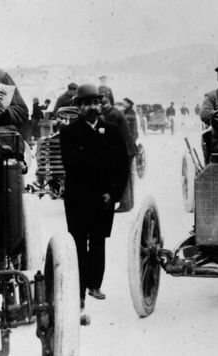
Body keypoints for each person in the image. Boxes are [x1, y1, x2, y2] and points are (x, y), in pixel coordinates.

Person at [60, 84, 128, 308]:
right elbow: (73, 166)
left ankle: (94, 285)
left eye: (96, 103)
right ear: (78, 107)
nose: (92, 107)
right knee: (79, 244)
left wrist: (114, 192)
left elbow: (122, 165)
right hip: (79, 198)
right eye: (87, 103)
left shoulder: (112, 131)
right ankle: (78, 293)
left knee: (98, 243)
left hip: (105, 198)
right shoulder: (69, 132)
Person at [101, 96, 137, 212]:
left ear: (105, 105)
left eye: (100, 106)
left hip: (125, 150)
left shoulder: (112, 115)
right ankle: (129, 203)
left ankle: (125, 205)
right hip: (129, 149)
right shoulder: (113, 112)